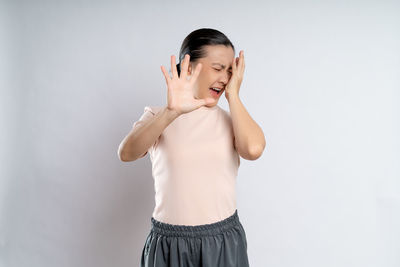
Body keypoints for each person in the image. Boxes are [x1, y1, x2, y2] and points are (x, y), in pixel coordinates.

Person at [118, 28, 266, 267]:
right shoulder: (158, 116)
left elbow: (254, 149)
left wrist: (234, 96)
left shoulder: (232, 121)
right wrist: (171, 112)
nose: (225, 77)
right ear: (188, 67)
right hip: (169, 244)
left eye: (231, 71)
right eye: (218, 68)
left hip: (222, 241)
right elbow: (126, 153)